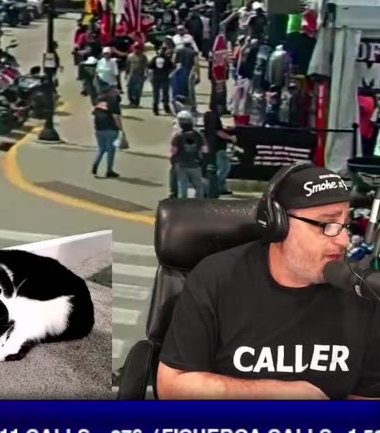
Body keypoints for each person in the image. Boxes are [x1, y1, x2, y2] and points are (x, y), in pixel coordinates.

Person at [156, 165, 379, 400]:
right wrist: (286, 394)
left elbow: (367, 401)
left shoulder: (363, 291)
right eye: (326, 225)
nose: (343, 241)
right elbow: (172, 386)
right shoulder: (217, 278)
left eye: (346, 224)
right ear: (278, 225)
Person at [170, 111, 207, 198]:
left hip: (181, 164)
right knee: (198, 186)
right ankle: (198, 203)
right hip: (195, 164)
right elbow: (205, 149)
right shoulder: (198, 135)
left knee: (182, 186)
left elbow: (173, 151)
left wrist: (172, 161)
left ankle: (183, 205)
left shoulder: (177, 136)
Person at [203, 108, 235, 197]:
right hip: (217, 148)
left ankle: (220, 188)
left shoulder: (208, 118)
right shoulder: (214, 118)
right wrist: (230, 138)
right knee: (223, 169)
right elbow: (218, 132)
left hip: (213, 147)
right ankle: (214, 188)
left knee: (222, 168)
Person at [91, 87, 122, 178]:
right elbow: (116, 117)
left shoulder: (99, 102)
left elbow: (94, 115)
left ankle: (95, 165)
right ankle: (109, 170)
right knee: (111, 150)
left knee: (101, 149)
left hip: (99, 128)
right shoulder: (113, 102)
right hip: (111, 128)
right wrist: (121, 128)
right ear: (111, 92)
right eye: (115, 91)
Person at [125, 43, 147, 108]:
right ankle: (131, 101)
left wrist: (145, 75)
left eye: (137, 48)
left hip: (140, 75)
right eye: (135, 48)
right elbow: (127, 66)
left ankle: (136, 102)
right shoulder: (130, 56)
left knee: (138, 89)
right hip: (131, 74)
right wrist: (126, 74)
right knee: (130, 89)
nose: (136, 49)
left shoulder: (143, 56)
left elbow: (146, 66)